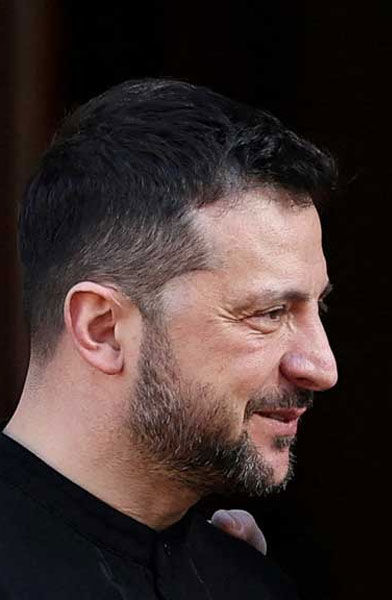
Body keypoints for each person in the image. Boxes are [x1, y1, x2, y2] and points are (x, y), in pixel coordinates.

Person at [0, 78, 338, 598]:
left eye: (319, 306)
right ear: (103, 329)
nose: (321, 366)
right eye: (269, 313)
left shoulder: (248, 579)